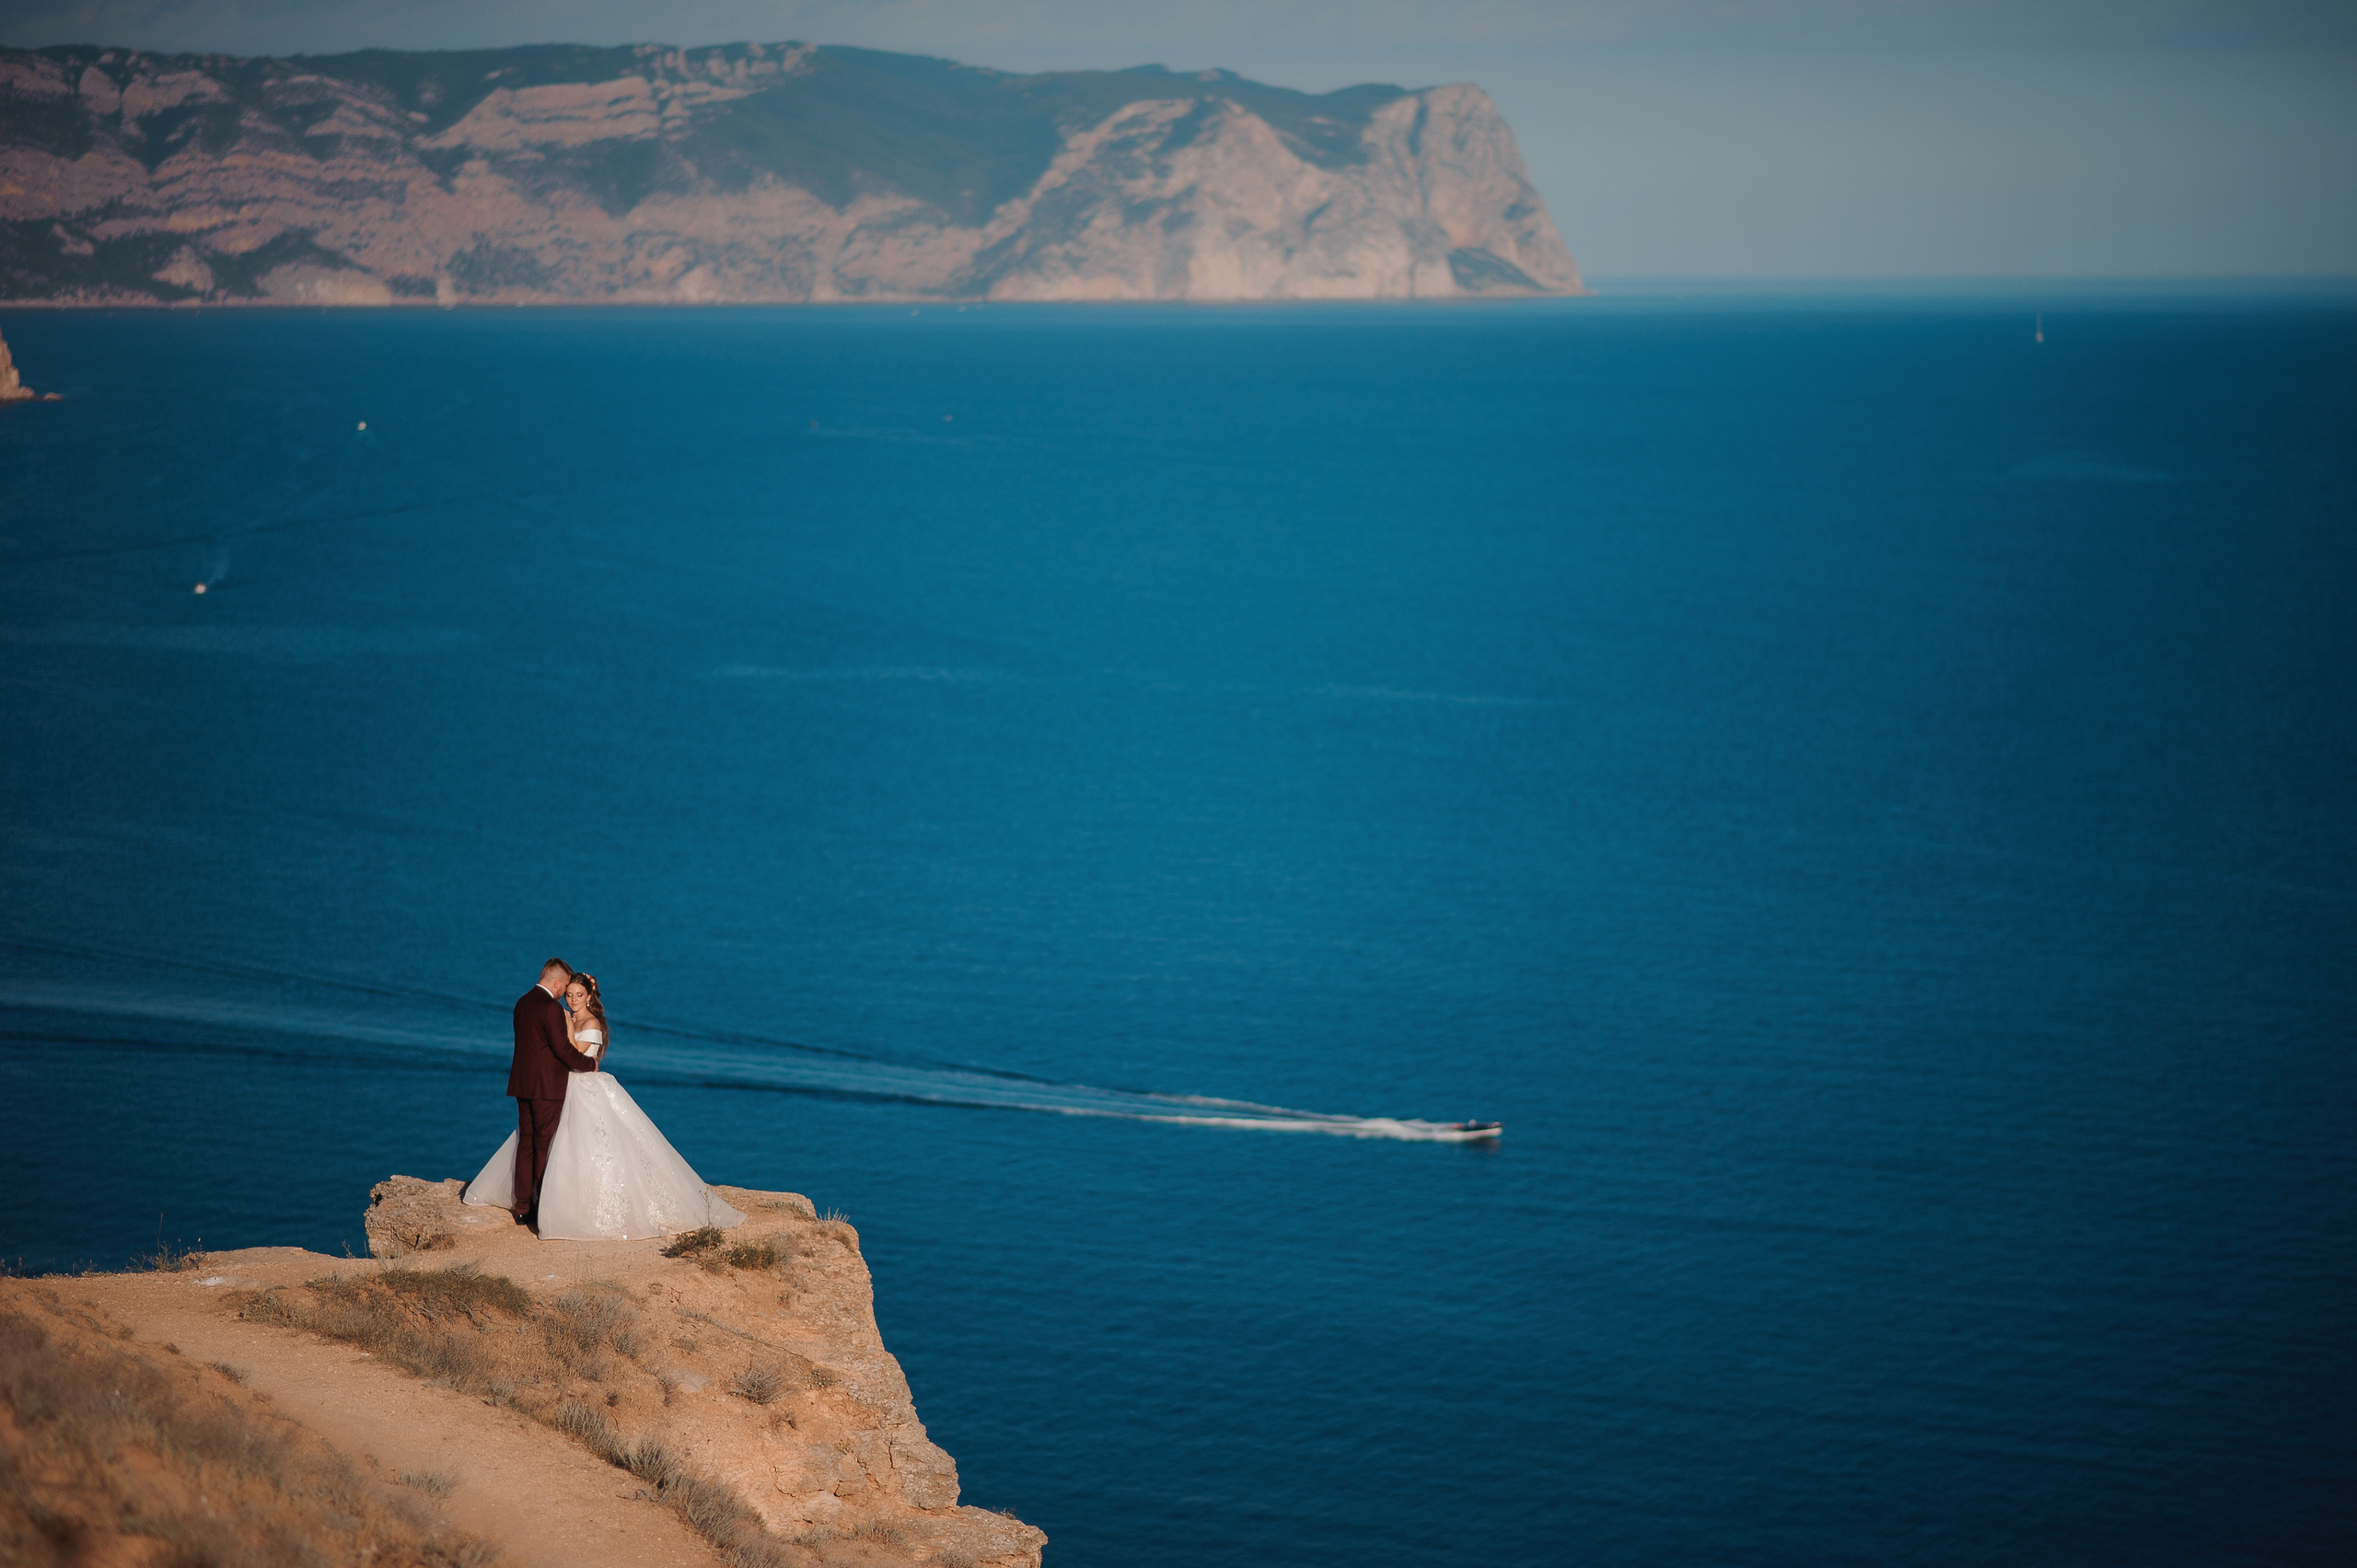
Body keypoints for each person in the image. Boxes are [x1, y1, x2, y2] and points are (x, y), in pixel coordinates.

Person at [462, 966, 745, 1240]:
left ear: (589, 997)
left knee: (572, 1146)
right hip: (558, 1087)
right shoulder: (560, 1014)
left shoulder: (588, 1022)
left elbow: (571, 1051)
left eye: (578, 995)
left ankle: (543, 1204)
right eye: (569, 994)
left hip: (578, 1087)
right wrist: (565, 1026)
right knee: (546, 1144)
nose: (572, 1000)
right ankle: (535, 1202)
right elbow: (560, 1050)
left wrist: (567, 1028)